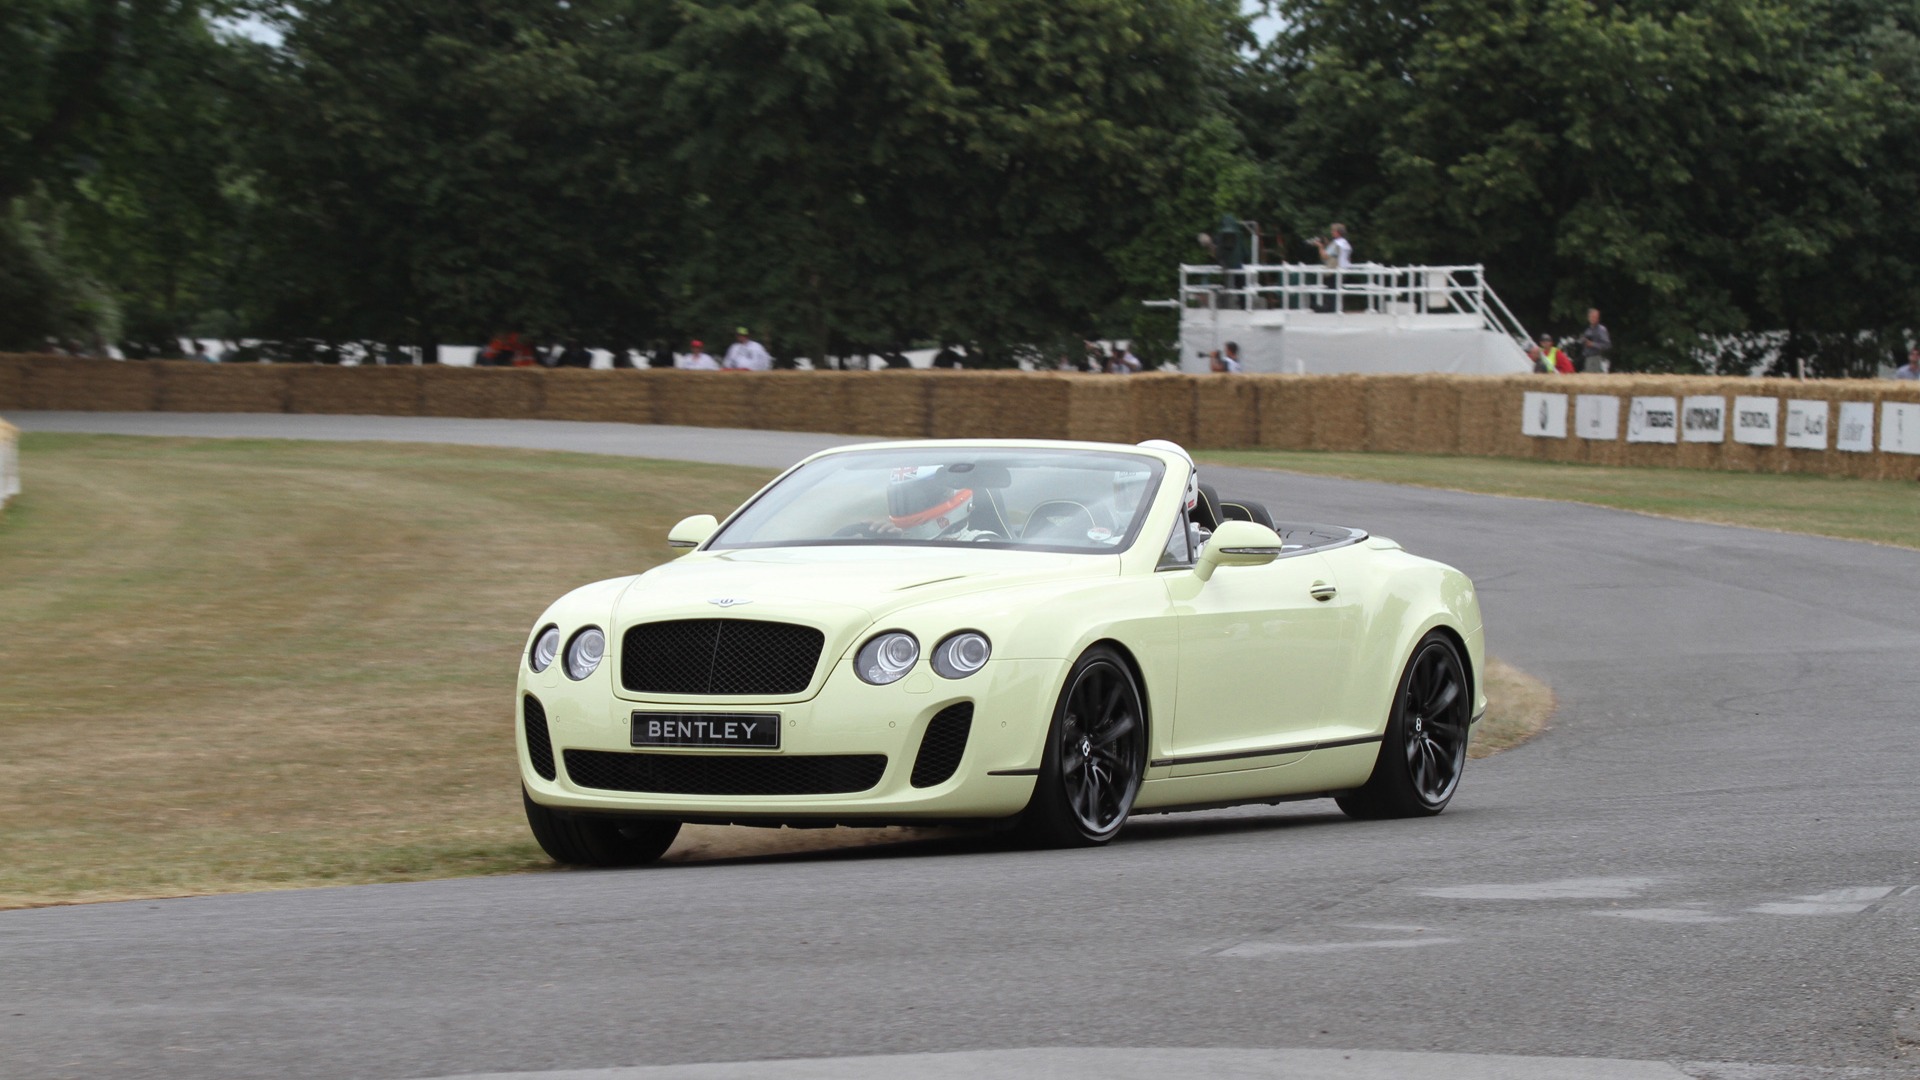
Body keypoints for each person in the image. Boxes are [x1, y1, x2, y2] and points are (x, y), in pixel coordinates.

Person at [1580, 309, 1612, 373]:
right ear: (1588, 318)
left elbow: (1607, 345)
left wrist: (1592, 344)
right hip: (1587, 358)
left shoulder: (1601, 330)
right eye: (1591, 317)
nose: (1593, 319)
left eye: (1595, 317)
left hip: (1596, 357)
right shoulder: (1588, 330)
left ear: (1598, 318)